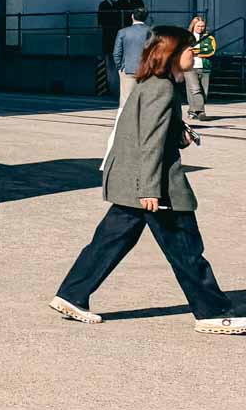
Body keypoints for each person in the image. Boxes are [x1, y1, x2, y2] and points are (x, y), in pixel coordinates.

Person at [52, 25, 244, 334]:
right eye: (188, 49)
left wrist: (179, 133)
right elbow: (150, 142)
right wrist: (150, 189)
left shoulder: (150, 82)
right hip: (154, 185)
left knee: (110, 241)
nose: (193, 53)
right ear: (171, 53)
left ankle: (71, 295)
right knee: (185, 248)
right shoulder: (162, 89)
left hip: (130, 179)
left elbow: (148, 131)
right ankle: (212, 312)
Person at [111, 6, 150, 105]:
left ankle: (125, 120)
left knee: (126, 100)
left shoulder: (123, 32)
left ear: (132, 16)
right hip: (147, 70)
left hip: (128, 68)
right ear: (146, 17)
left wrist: (120, 67)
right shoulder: (152, 32)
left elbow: (116, 53)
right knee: (145, 100)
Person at [185, 14, 212, 120]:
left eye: (202, 26)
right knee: (195, 89)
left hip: (204, 66)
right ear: (193, 26)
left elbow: (210, 50)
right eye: (198, 26)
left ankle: (192, 110)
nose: (201, 28)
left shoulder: (208, 38)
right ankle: (201, 112)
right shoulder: (187, 37)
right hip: (190, 66)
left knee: (203, 92)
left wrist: (195, 52)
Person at [96, 0, 121, 94]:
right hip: (107, 25)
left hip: (113, 26)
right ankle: (107, 49)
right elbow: (100, 14)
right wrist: (99, 23)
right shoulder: (103, 4)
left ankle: (112, 49)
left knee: (113, 38)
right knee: (107, 39)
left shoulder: (115, 4)